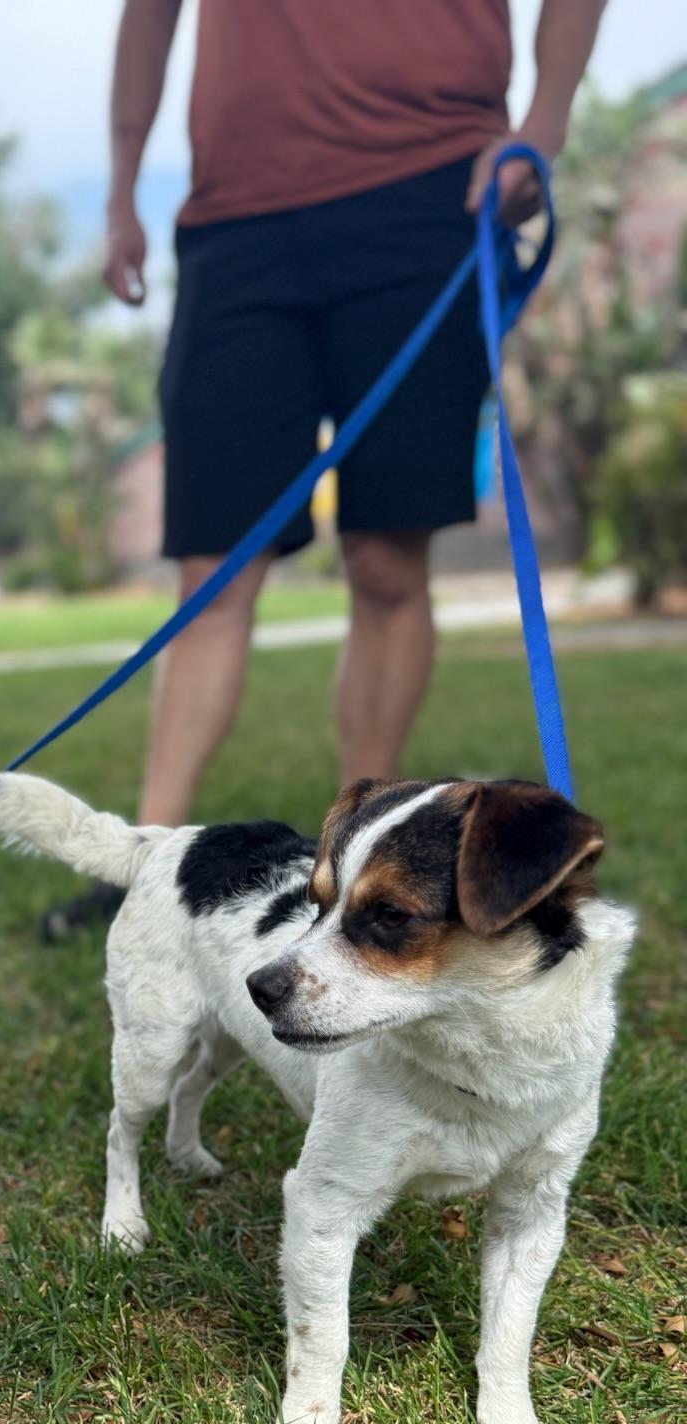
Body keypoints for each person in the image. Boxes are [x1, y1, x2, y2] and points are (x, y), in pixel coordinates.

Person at [41, 0, 607, 941]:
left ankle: (345, 865)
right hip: (236, 220)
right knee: (210, 572)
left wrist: (543, 123)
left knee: (388, 565)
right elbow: (149, 16)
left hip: (430, 196)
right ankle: (141, 872)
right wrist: (121, 192)